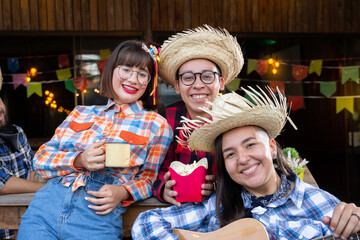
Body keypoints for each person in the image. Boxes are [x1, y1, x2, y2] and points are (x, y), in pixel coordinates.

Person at [132, 87, 360, 240]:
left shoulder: (320, 203)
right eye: (230, 154)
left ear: (271, 147)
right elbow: (145, 223)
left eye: (250, 145)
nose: (242, 159)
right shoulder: (218, 207)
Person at [17, 40, 173, 239]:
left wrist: (123, 192)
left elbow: (149, 178)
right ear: (111, 71)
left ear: (149, 82)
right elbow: (40, 160)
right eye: (126, 69)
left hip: (95, 220)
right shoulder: (80, 112)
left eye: (142, 74)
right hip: (44, 212)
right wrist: (79, 160)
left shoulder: (157, 124)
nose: (133, 79)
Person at [153, 25, 244, 206]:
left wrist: (217, 184)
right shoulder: (167, 118)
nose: (198, 85)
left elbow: (244, 167)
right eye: (188, 78)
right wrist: (163, 188)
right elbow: (155, 168)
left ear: (221, 83)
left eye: (207, 76)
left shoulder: (235, 119)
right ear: (177, 85)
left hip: (224, 206)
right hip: (178, 206)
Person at [0, 82, 45, 239]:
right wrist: (43, 189)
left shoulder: (18, 132)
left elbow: (31, 168)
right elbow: (2, 183)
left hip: (25, 228)